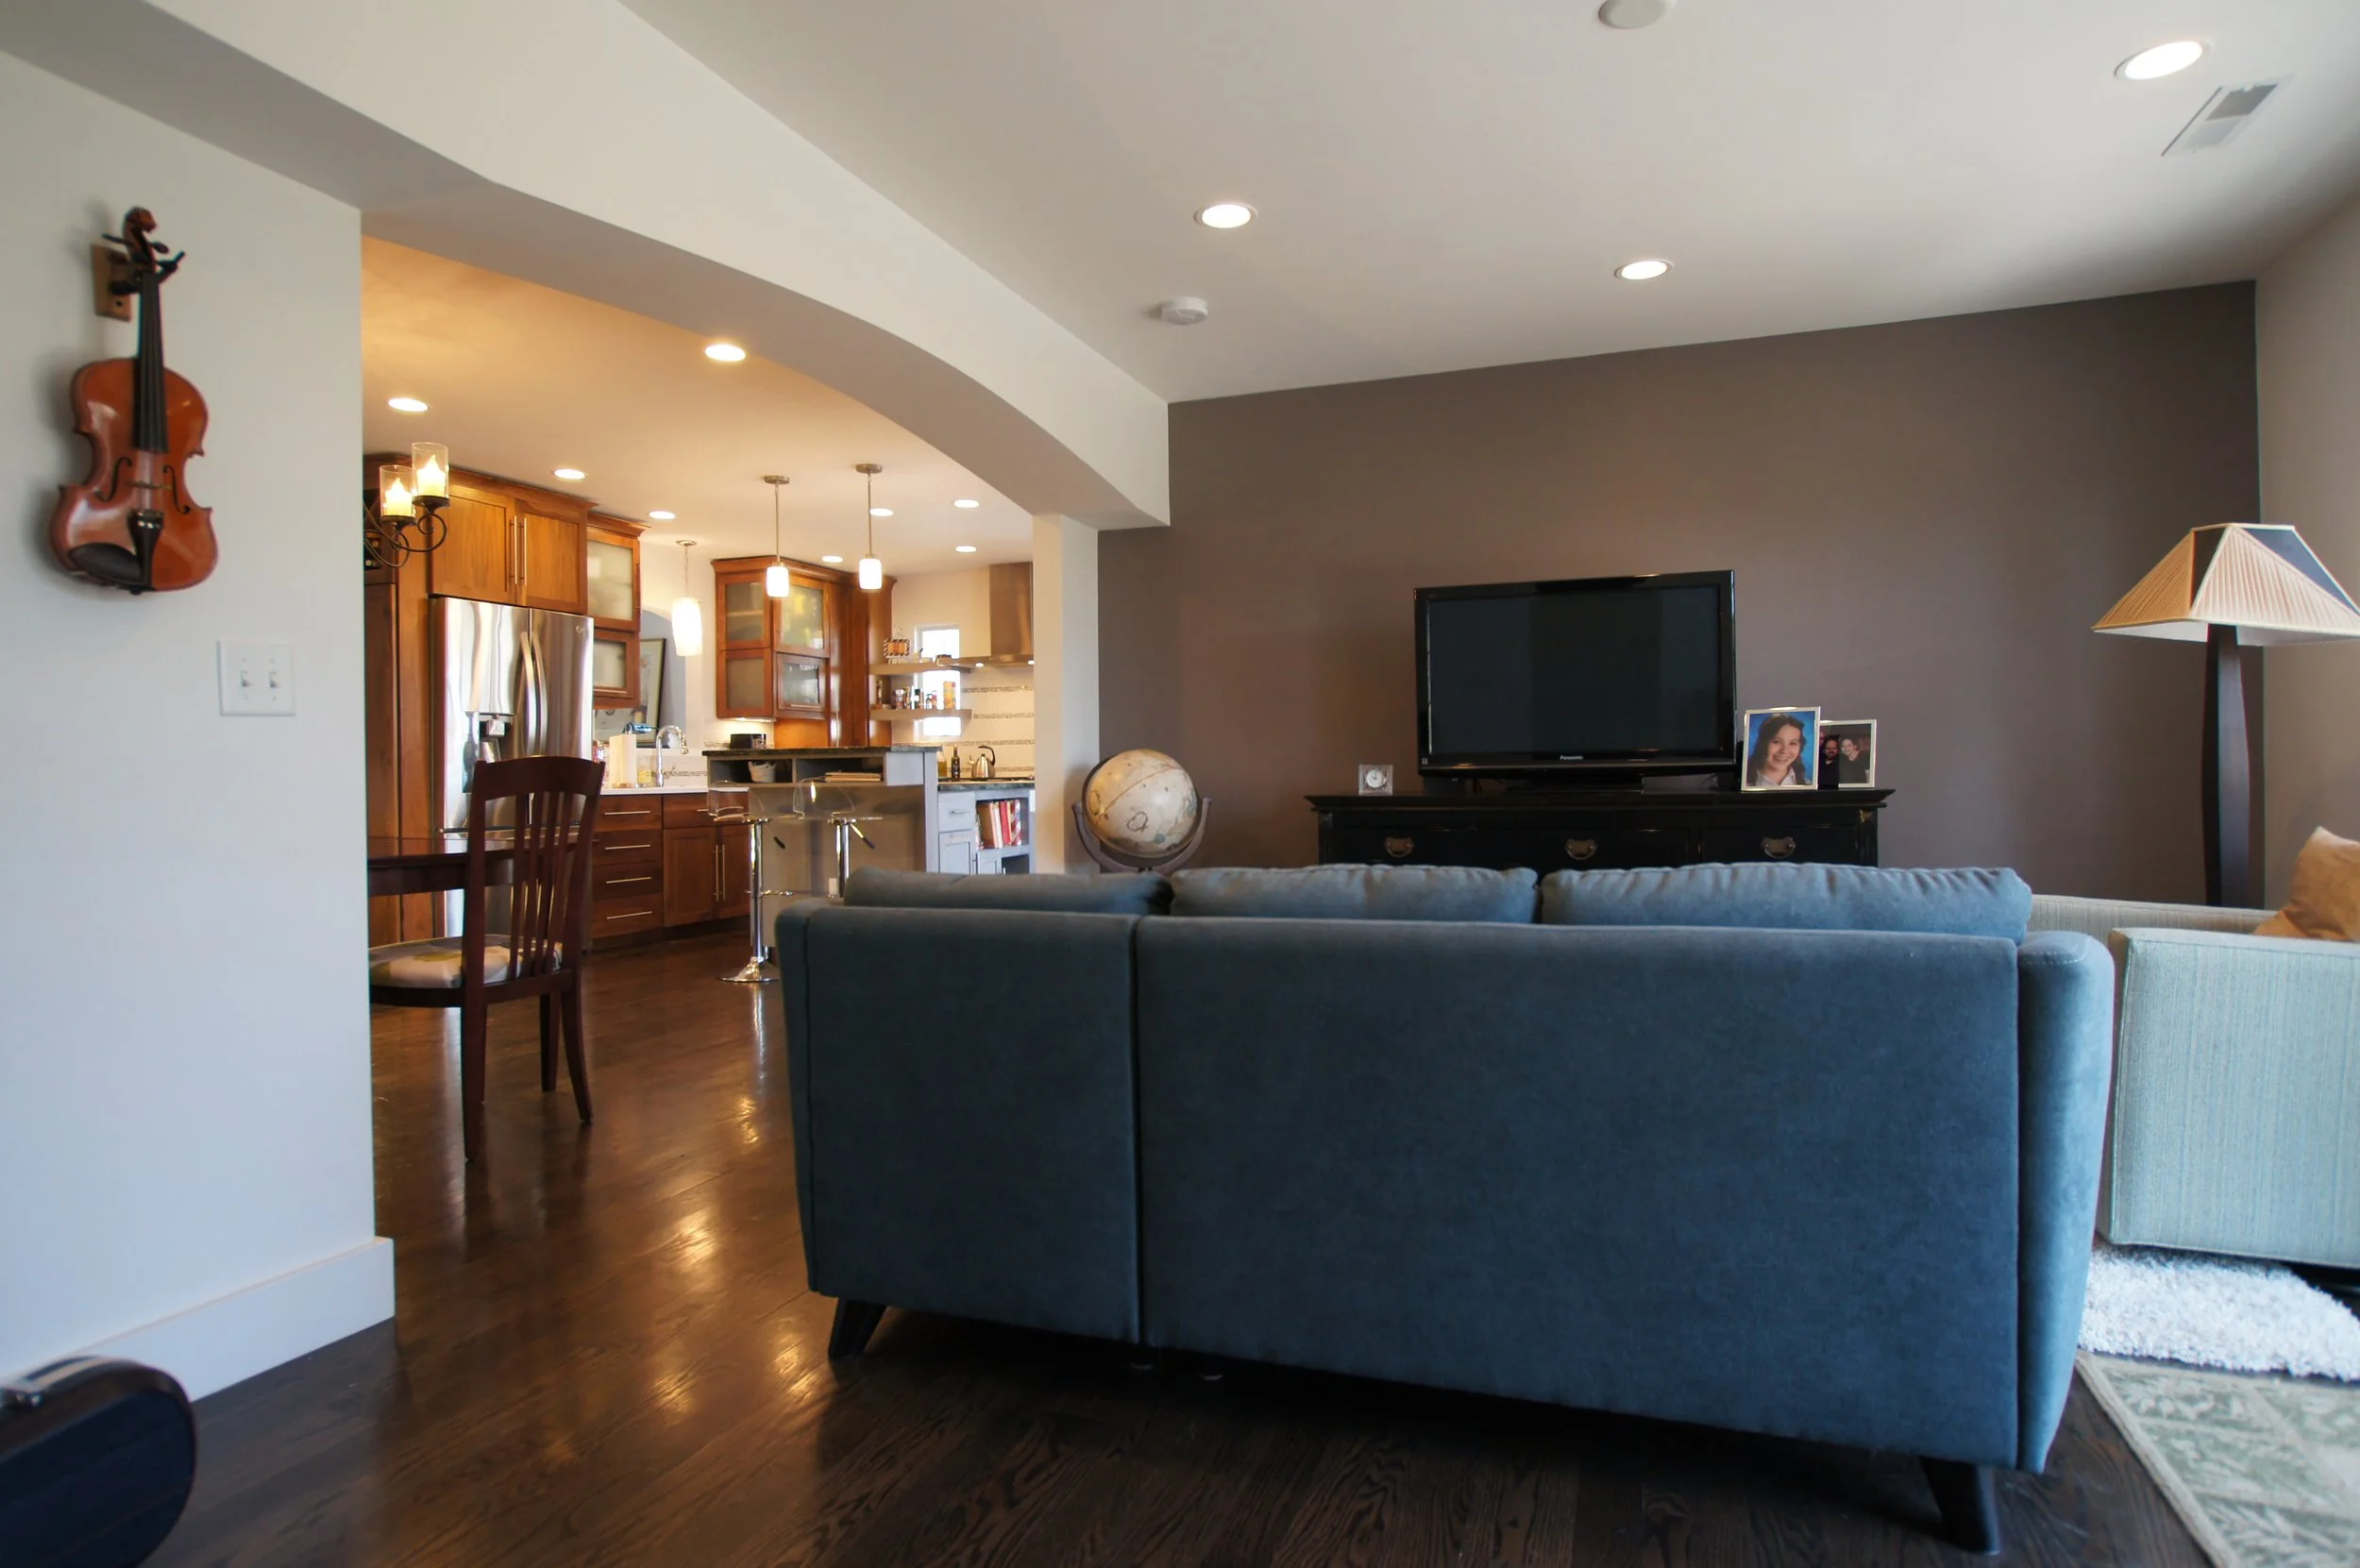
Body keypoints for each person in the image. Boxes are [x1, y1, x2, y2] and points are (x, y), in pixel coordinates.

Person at [1745, 713, 1812, 788]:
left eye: (1793, 743)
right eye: (1776, 742)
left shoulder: (1808, 786)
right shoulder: (1745, 783)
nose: (1784, 750)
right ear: (1763, 744)